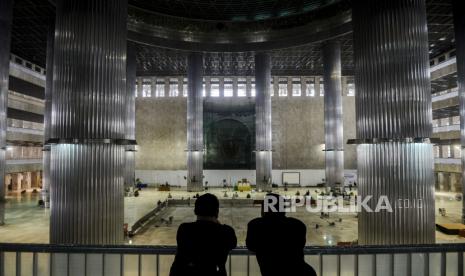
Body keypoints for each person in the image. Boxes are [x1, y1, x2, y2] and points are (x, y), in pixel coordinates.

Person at [246, 193, 316, 276]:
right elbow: (300, 245)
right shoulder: (297, 225)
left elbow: (251, 246)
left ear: (265, 209)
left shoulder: (255, 225)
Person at [170, 193, 237, 276]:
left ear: (195, 211)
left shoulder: (184, 229)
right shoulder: (226, 232)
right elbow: (232, 244)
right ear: (217, 211)